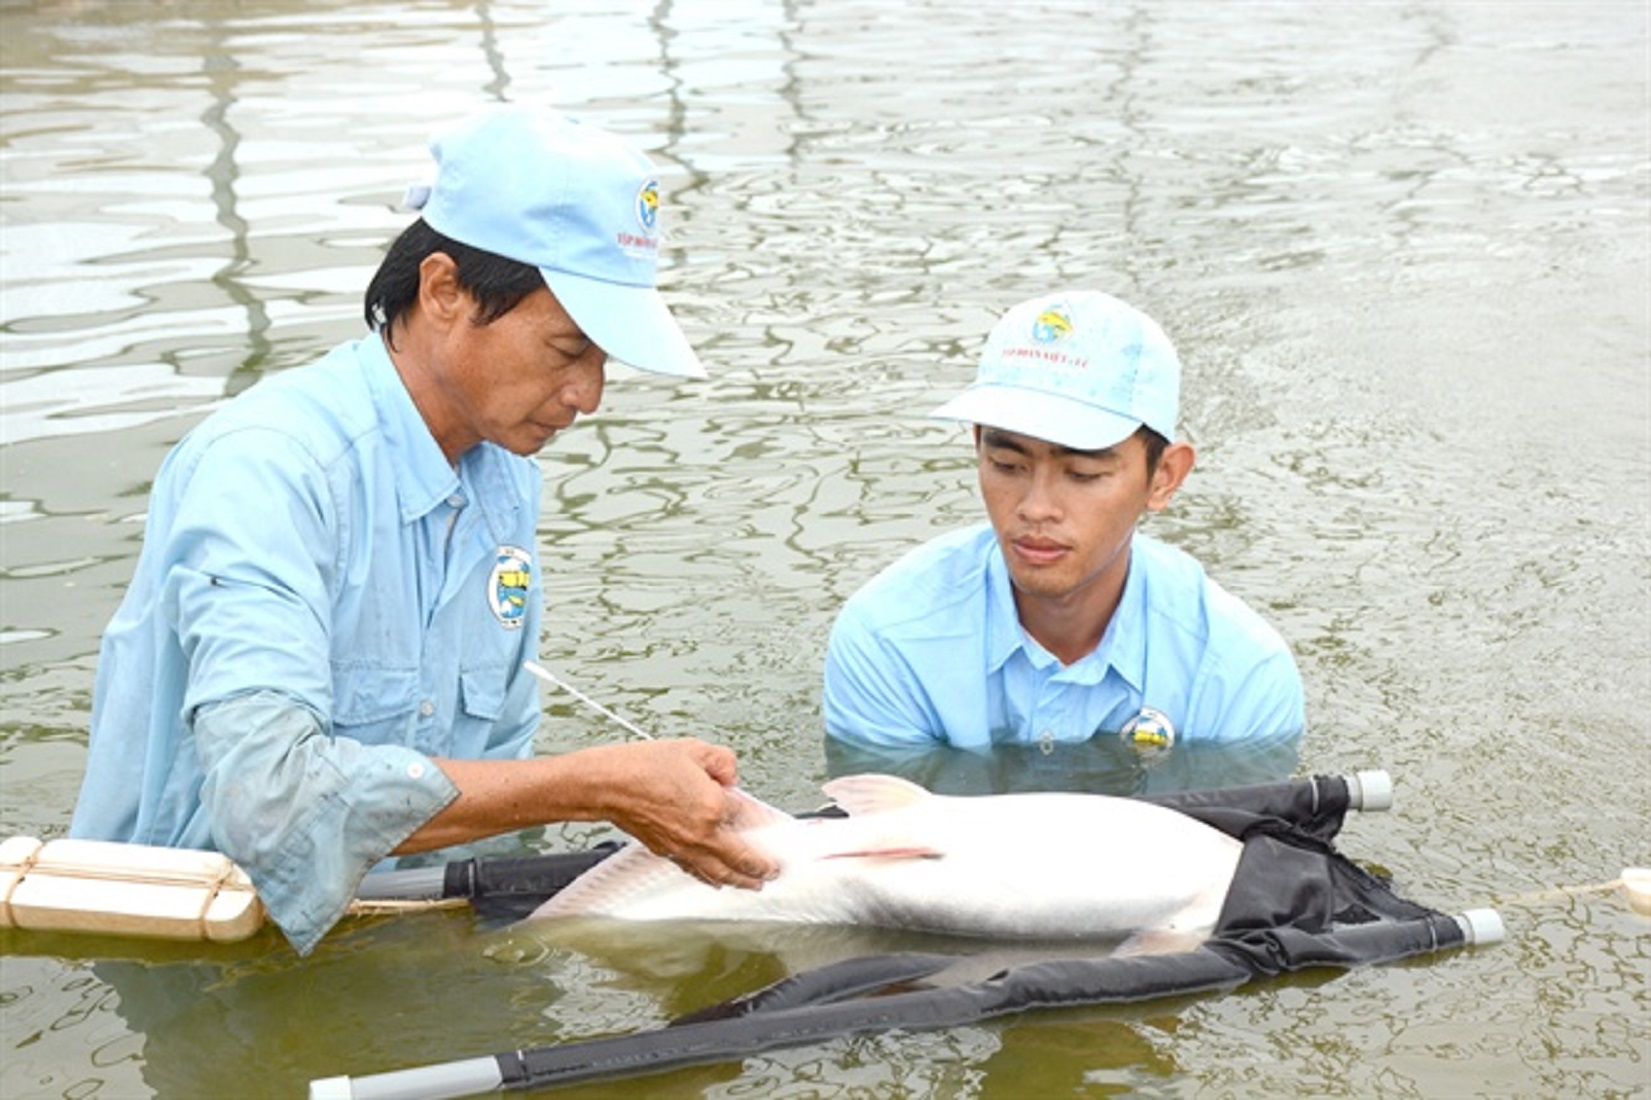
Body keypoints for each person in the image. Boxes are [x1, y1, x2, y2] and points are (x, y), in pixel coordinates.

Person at [70, 105, 778, 955]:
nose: (589, 395)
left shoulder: (503, 474)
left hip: (402, 927)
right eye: (566, 350)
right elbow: (269, 799)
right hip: (189, 944)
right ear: (443, 290)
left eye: (605, 360)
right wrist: (596, 786)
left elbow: (498, 755)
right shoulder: (268, 469)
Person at [823, 289, 1305, 757]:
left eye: (1083, 474)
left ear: (1164, 477)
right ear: (977, 447)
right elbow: (880, 828)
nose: (1036, 507)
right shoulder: (889, 638)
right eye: (1008, 465)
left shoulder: (1238, 674)